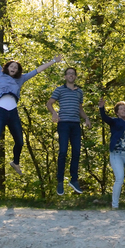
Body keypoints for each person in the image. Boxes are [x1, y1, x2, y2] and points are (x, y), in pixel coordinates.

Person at [0, 29, 62, 192]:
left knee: (20, 141)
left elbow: (38, 70)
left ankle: (15, 162)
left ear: (18, 71)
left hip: (13, 112)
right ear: (7, 67)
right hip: (1, 111)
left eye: (16, 67)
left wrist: (53, 61)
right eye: (11, 65)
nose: (13, 68)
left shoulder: (21, 79)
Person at [47, 66, 91, 195]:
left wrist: (86, 118)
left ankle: (74, 180)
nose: (71, 75)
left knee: (77, 152)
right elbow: (49, 103)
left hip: (76, 124)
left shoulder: (79, 92)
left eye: (73, 74)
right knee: (63, 151)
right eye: (68, 74)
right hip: (64, 124)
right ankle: (60, 182)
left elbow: (80, 109)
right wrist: (54, 114)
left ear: (75, 77)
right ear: (65, 77)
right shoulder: (60, 90)